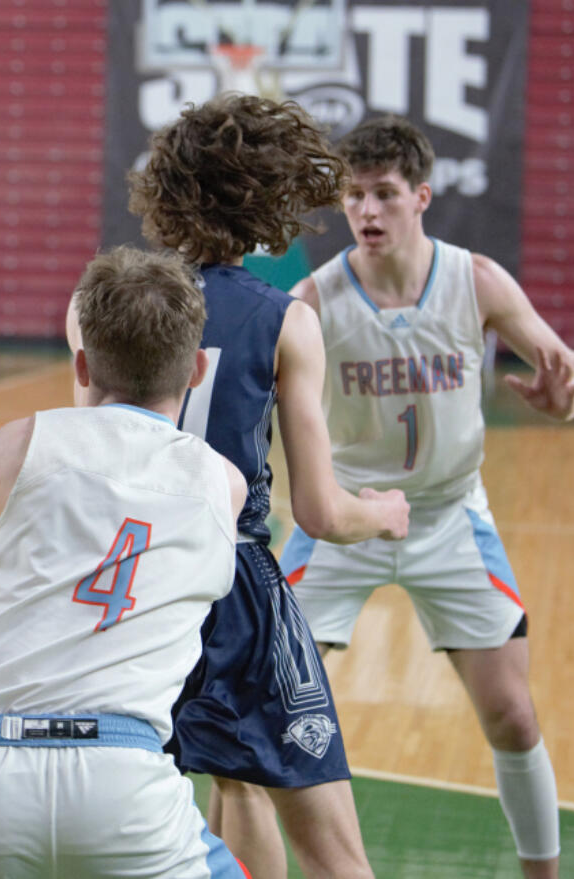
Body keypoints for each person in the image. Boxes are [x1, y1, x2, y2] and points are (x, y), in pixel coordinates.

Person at [278, 116, 574, 879]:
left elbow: (567, 363)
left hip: (449, 518)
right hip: (343, 520)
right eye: (354, 197)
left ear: (421, 196)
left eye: (384, 194)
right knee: (273, 709)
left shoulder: (474, 278)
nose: (368, 212)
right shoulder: (313, 301)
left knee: (513, 716)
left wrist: (569, 394)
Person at [0, 245, 250, 878]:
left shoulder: (22, 441)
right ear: (195, 370)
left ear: (81, 364)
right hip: (122, 782)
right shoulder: (224, 481)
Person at [128, 93, 410, 879]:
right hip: (236, 580)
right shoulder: (284, 318)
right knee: (334, 847)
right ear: (266, 194)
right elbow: (318, 509)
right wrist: (381, 513)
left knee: (233, 784)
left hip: (138, 574)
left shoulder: (112, 305)